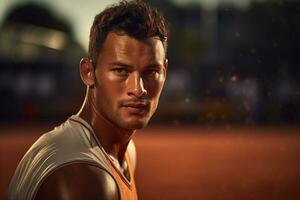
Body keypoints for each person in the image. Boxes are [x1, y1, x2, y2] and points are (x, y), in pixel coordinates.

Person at [7, 0, 169, 199]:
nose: (138, 89)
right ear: (88, 72)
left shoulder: (122, 152)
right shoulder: (85, 178)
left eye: (151, 71)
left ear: (165, 71)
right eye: (120, 70)